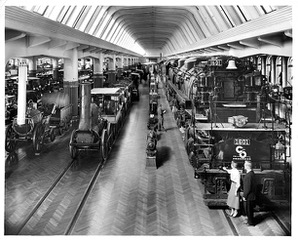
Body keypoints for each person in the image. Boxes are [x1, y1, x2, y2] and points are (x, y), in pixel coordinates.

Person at [242, 160, 257, 226]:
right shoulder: (252, 173)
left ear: (247, 166)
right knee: (249, 209)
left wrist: (245, 196)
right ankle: (249, 220)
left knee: (249, 210)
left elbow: (248, 188)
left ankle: (251, 222)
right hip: (251, 195)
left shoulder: (248, 175)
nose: (244, 166)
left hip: (249, 196)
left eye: (245, 165)